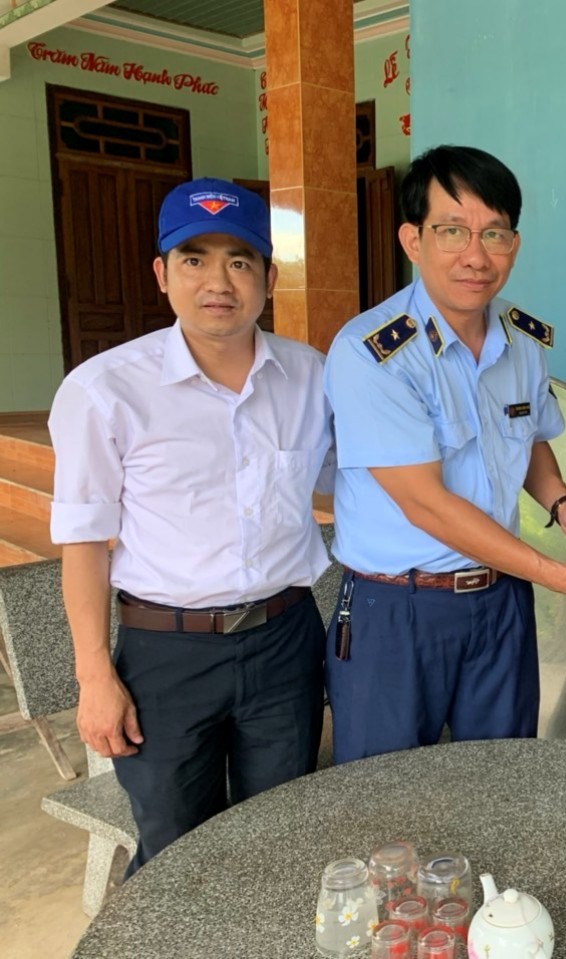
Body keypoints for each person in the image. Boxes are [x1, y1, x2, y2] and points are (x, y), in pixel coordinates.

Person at [49, 178, 333, 875]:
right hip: (165, 654)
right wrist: (94, 676)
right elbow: (83, 542)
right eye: (194, 258)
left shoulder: (313, 378)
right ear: (162, 273)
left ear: (268, 276)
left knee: (281, 837)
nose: (218, 282)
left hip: (284, 641)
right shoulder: (105, 389)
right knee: (176, 854)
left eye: (239, 260)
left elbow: (362, 483)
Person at [323, 145, 566, 764]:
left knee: (501, 779)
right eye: (452, 231)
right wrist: (558, 577)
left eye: (494, 233)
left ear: (514, 245)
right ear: (413, 241)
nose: (476, 255)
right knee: (386, 792)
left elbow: (530, 438)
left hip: (500, 602)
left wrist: (563, 505)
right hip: (399, 609)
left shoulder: (522, 341)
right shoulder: (372, 354)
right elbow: (426, 505)